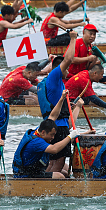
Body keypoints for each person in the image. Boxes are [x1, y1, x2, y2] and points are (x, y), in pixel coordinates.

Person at [36, 32, 78, 173]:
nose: (68, 71)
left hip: (53, 125)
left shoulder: (56, 82)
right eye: (66, 69)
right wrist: (73, 39)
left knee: (52, 162)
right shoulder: (54, 75)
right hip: (58, 128)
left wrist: (67, 107)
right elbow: (69, 59)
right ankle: (51, 189)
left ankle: (44, 182)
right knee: (59, 164)